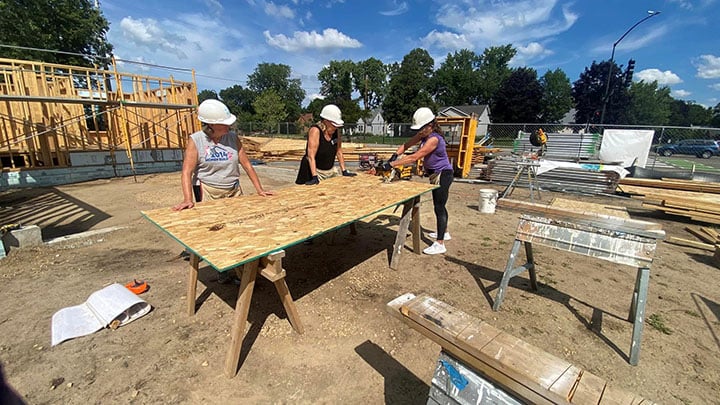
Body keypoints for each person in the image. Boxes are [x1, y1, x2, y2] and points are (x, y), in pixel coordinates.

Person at [173, 99, 274, 283]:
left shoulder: (232, 138)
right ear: (211, 124)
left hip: (233, 189)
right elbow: (187, 172)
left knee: (240, 228)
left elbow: (247, 165)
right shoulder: (196, 140)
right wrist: (188, 198)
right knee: (217, 233)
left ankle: (242, 269)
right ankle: (223, 272)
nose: (229, 125)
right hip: (209, 190)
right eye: (224, 123)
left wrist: (260, 189)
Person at [385, 107, 453, 255]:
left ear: (430, 126)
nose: (420, 131)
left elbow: (415, 157)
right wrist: (394, 155)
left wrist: (391, 165)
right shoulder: (424, 135)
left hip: (443, 174)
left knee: (439, 207)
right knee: (440, 206)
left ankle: (440, 243)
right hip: (435, 174)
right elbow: (406, 145)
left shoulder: (434, 139)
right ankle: (445, 232)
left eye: (422, 129)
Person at [295, 104, 356, 185]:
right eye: (334, 125)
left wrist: (344, 171)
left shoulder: (336, 132)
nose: (336, 128)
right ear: (326, 121)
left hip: (329, 170)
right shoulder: (315, 131)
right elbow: (311, 156)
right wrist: (314, 177)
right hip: (314, 171)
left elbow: (339, 151)